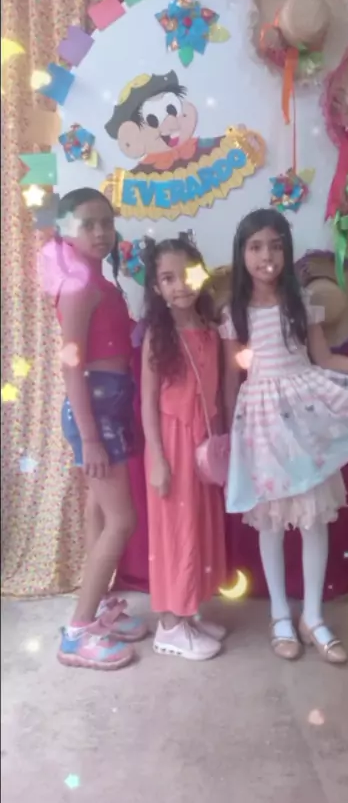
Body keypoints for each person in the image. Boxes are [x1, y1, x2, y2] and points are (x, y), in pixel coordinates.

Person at [220, 209, 348, 664]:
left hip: (305, 418)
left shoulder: (300, 302)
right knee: (271, 521)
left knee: (313, 519)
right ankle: (279, 615)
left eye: (275, 245)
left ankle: (312, 615)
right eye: (255, 247)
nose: (266, 256)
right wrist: (231, 437)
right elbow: (231, 380)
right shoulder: (234, 312)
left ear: (286, 250)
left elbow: (326, 359)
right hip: (262, 424)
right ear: (242, 252)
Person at [44, 187, 148, 671]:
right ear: (67, 230)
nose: (101, 231)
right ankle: (78, 632)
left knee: (99, 510)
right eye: (88, 223)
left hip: (112, 406)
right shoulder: (79, 287)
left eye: (106, 222)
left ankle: (100, 605)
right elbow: (71, 364)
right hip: (96, 413)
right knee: (122, 519)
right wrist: (89, 437)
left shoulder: (99, 281)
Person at [141, 234, 227, 661]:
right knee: (176, 533)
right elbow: (147, 403)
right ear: (157, 288)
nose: (180, 286)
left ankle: (188, 611)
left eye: (186, 274)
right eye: (167, 278)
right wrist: (157, 458)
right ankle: (170, 626)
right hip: (171, 445)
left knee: (198, 526)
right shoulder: (158, 337)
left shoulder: (212, 331)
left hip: (202, 445)